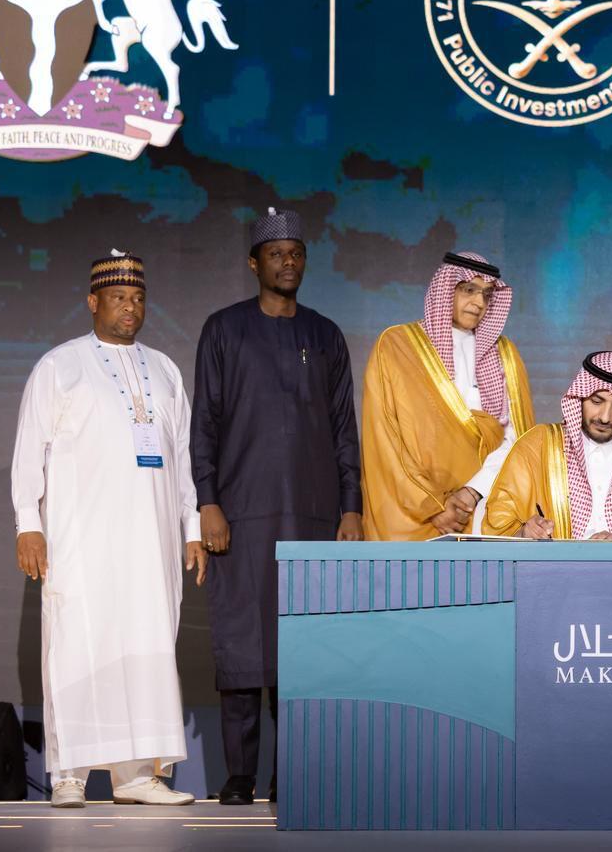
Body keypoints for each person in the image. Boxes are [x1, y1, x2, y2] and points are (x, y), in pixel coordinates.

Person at [11, 251, 204, 808]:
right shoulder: (60, 366)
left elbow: (183, 457)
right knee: (78, 645)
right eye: (119, 298)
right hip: (80, 538)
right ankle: (69, 774)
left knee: (147, 645)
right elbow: (29, 450)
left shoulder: (164, 370)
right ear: (93, 301)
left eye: (138, 298)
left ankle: (137, 775)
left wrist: (191, 525)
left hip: (152, 540)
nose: (130, 308)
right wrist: (28, 524)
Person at [191, 208, 363, 806]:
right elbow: (205, 422)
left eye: (296, 253)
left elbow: (344, 429)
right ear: (254, 263)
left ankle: (291, 773)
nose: (287, 263)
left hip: (314, 516)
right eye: (275, 254)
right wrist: (207, 501)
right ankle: (239, 776)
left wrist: (351, 507)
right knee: (244, 644)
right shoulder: (224, 329)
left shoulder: (325, 334)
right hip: (240, 514)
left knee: (302, 649)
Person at [360, 251, 534, 539]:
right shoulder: (397, 345)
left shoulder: (505, 355)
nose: (479, 303)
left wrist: (471, 492)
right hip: (410, 510)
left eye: (486, 294)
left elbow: (517, 441)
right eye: (469, 290)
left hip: (481, 508)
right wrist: (433, 505)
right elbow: (386, 439)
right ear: (446, 289)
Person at [483, 351, 612, 541]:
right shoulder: (539, 444)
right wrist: (524, 532)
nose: (605, 417)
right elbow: (498, 522)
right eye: (596, 401)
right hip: (552, 564)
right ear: (580, 398)